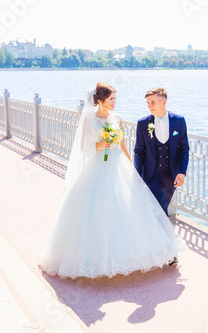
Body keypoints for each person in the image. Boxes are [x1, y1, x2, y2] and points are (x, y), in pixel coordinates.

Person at [39, 83, 187, 279]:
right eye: (111, 99)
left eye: (115, 98)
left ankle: (149, 252)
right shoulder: (89, 120)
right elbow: (83, 147)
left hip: (119, 166)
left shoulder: (117, 118)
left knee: (129, 209)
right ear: (100, 100)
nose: (114, 102)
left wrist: (133, 170)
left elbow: (124, 145)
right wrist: (100, 145)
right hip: (98, 166)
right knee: (97, 210)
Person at [134, 88, 189, 265]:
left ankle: (153, 249)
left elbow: (184, 148)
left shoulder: (179, 121)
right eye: (147, 102)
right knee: (161, 212)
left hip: (172, 175)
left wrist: (182, 172)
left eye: (153, 102)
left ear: (163, 102)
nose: (149, 105)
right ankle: (170, 253)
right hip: (152, 175)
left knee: (159, 212)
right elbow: (139, 151)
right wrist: (138, 174)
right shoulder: (143, 123)